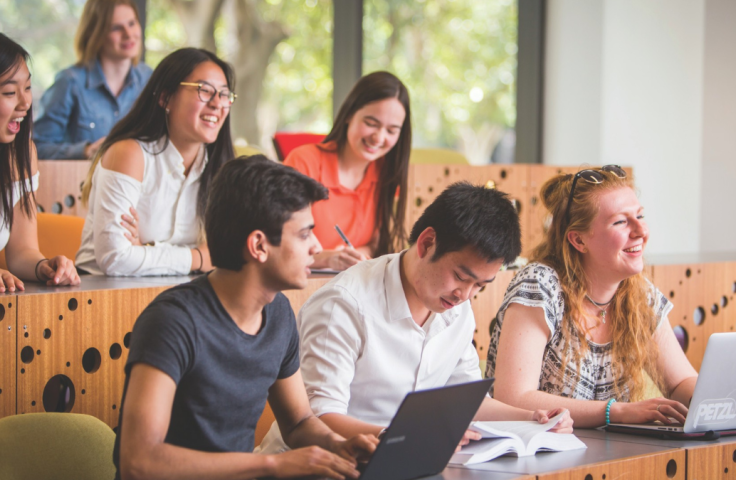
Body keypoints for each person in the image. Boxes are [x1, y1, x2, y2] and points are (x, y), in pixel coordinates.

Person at [258, 182, 573, 454]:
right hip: (316, 467)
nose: (466, 294)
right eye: (461, 277)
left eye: (480, 285)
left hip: (402, 463)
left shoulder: (455, 306)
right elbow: (316, 419)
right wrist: (412, 438)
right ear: (426, 243)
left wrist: (533, 417)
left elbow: (464, 401)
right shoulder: (344, 304)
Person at [114, 155, 378, 480]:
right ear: (258, 246)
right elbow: (138, 462)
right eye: (304, 234)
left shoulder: (278, 312)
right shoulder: (172, 321)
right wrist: (274, 465)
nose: (317, 246)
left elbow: (298, 422)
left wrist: (338, 445)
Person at [485, 166, 698, 428]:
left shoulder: (640, 295)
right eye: (621, 221)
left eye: (640, 216)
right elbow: (512, 397)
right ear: (578, 240)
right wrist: (615, 412)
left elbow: (679, 383)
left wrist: (713, 399)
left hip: (610, 459)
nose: (641, 230)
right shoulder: (540, 285)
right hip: (533, 457)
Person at [75, 47, 235, 276]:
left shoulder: (223, 167)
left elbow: (231, 255)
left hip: (179, 296)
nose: (218, 103)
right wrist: (198, 256)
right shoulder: (129, 154)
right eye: (205, 90)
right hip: (102, 296)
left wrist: (145, 250)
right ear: (165, 97)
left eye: (224, 94)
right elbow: (115, 258)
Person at [284, 71, 410, 271]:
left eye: (392, 130)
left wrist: (353, 256)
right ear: (349, 114)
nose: (378, 138)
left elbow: (377, 244)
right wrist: (328, 258)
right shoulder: (304, 162)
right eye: (371, 123)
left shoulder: (387, 175)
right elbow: (281, 244)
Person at [0, 33, 79, 291]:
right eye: (10, 92)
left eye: (28, 88)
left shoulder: (20, 156)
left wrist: (43, 266)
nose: (25, 103)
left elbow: (22, 251)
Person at [33, 0, 152, 160]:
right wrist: (86, 151)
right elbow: (38, 148)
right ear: (96, 33)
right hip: (80, 182)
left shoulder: (149, 79)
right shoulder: (69, 83)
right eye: (116, 28)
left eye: (132, 23)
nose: (129, 34)